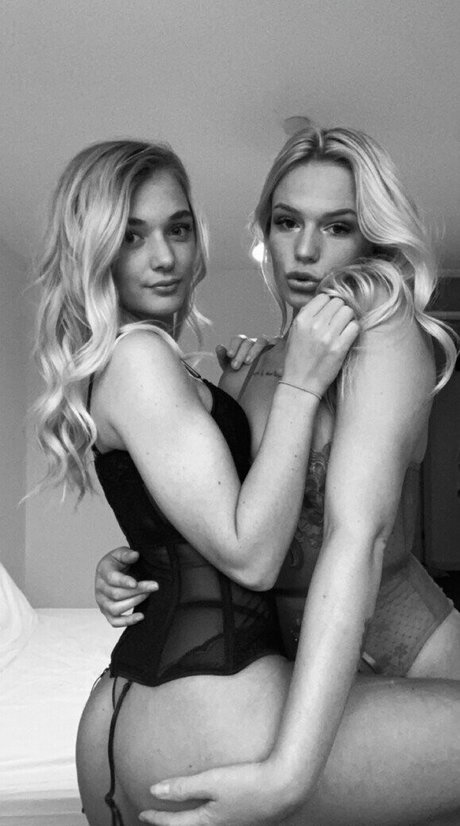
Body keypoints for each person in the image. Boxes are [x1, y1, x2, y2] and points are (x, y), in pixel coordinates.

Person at [94, 126, 460, 826]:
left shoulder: (380, 333)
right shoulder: (250, 366)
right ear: (265, 231)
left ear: (370, 241)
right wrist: (138, 556)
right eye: (288, 222)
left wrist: (290, 772)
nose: (307, 250)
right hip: (291, 670)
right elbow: (225, 519)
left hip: (405, 651)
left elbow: (358, 539)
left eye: (338, 227)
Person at [32, 138, 362, 826]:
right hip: (204, 698)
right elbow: (252, 556)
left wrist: (140, 559)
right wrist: (301, 383)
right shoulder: (140, 357)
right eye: (131, 236)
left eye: (177, 229)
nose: (164, 257)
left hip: (146, 704)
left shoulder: (142, 358)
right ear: (93, 249)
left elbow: (181, 518)